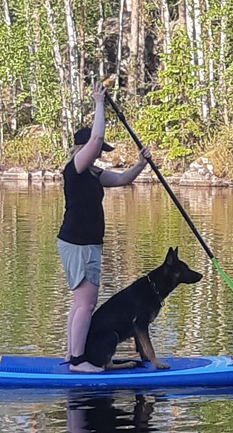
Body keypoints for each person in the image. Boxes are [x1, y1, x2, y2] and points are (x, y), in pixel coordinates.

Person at [58, 80, 153, 373]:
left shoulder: (94, 174)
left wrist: (141, 164)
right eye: (97, 150)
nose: (100, 153)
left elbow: (123, 180)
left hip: (85, 243)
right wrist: (99, 102)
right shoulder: (75, 167)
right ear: (83, 147)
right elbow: (96, 139)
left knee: (80, 303)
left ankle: (72, 354)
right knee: (86, 304)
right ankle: (78, 362)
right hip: (79, 243)